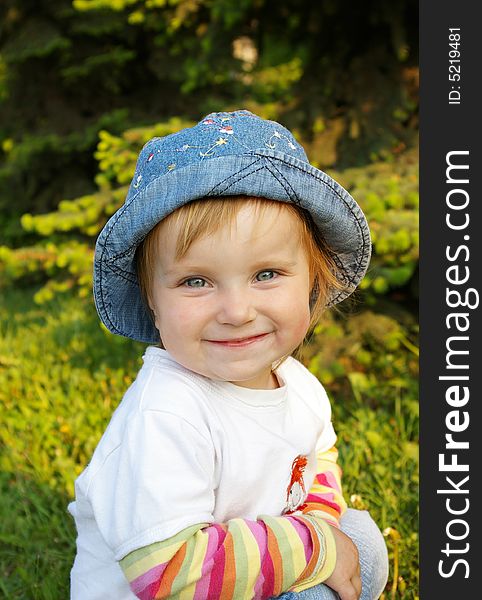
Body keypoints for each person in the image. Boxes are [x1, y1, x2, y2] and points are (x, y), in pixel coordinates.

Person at [68, 110, 388, 599]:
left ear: (313, 281)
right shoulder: (165, 415)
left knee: (361, 537)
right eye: (196, 281)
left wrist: (322, 529)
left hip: (249, 559)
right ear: (152, 300)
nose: (237, 311)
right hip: (176, 584)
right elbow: (170, 573)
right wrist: (316, 550)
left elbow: (316, 462)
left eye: (266, 275)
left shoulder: (298, 385)